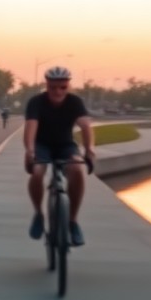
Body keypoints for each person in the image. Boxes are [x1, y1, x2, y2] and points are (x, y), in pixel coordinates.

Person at [24, 67, 96, 245]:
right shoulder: (36, 102)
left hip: (65, 145)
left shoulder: (75, 102)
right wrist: (30, 151)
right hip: (42, 145)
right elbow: (31, 128)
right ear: (46, 85)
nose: (58, 91)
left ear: (68, 86)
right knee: (38, 171)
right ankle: (39, 215)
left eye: (63, 87)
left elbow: (85, 126)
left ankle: (72, 222)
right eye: (53, 87)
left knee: (77, 170)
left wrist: (89, 150)